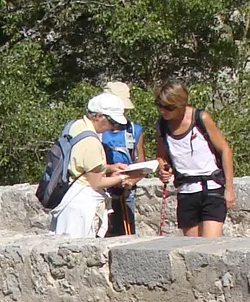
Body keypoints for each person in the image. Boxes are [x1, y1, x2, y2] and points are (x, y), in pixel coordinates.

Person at [152, 83, 236, 237]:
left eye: (168, 107)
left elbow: (225, 149)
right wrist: (163, 168)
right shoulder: (162, 125)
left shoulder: (201, 118)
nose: (162, 111)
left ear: (180, 105)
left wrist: (229, 188)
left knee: (209, 247)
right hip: (186, 191)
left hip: (211, 188)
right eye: (159, 105)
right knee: (192, 249)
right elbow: (161, 156)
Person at [49, 93, 132, 238]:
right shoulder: (91, 142)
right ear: (99, 116)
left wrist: (110, 168)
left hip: (68, 197)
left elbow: (81, 164)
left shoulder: (76, 126)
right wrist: (123, 177)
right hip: (81, 207)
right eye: (112, 122)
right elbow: (97, 183)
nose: (113, 127)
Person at [98, 81, 144, 235]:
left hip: (125, 195)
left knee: (126, 237)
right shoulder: (95, 131)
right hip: (100, 195)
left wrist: (130, 181)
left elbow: (141, 165)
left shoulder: (134, 131)